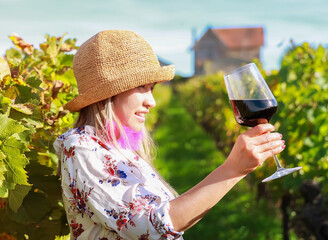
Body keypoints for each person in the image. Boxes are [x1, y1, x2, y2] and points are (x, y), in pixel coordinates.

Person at [53, 30, 285, 240]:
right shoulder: (81, 147)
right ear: (107, 94)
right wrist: (232, 170)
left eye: (152, 89)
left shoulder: (117, 148)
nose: (151, 101)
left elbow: (173, 227)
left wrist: (236, 171)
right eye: (142, 88)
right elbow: (149, 227)